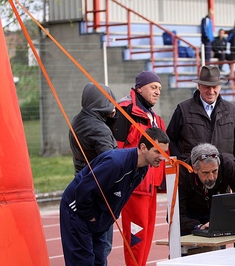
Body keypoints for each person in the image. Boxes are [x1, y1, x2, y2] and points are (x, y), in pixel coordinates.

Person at [60, 127, 170, 266]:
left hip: (99, 216)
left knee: (99, 260)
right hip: (77, 210)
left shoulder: (143, 168)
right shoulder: (116, 163)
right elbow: (83, 189)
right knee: (83, 260)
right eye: (157, 151)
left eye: (164, 153)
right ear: (143, 147)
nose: (162, 157)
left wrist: (104, 219)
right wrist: (90, 216)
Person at [113, 71, 167, 266]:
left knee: (147, 235)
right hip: (134, 187)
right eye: (153, 87)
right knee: (136, 236)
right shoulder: (125, 110)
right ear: (140, 88)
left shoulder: (155, 119)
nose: (157, 92)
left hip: (151, 188)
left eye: (159, 88)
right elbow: (116, 150)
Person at [68, 82, 117, 265]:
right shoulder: (98, 129)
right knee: (101, 246)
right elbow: (110, 162)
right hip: (98, 191)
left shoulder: (79, 119)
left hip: (81, 183)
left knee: (88, 245)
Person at [166, 65, 235, 174]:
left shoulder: (231, 110)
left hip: (224, 176)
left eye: (215, 87)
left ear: (220, 87)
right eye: (207, 87)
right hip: (192, 177)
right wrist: (182, 167)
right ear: (199, 86)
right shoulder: (182, 110)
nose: (211, 91)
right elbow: (170, 140)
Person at [178, 143, 235, 236]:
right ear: (194, 169)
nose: (211, 177)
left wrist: (231, 218)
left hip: (218, 212)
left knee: (218, 248)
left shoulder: (227, 165)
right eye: (205, 172)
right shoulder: (182, 174)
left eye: (214, 171)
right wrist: (197, 226)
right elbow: (175, 215)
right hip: (191, 215)